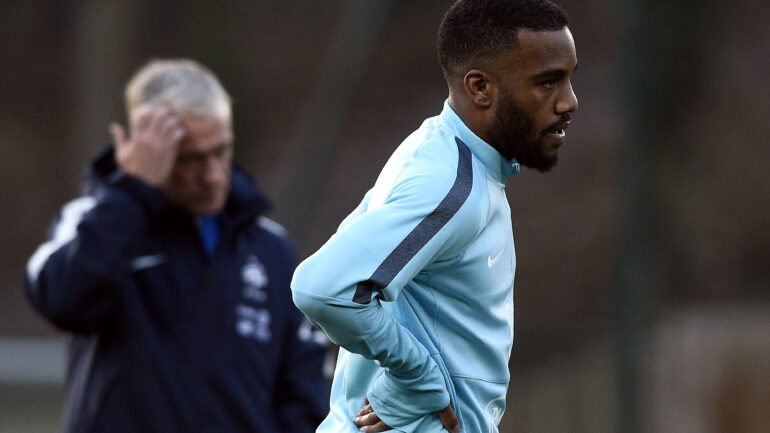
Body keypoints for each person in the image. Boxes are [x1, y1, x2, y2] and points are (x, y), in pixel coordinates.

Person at [291, 0, 578, 432]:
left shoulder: (443, 157)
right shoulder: (449, 182)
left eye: (569, 79)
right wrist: (419, 382)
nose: (569, 102)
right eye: (548, 83)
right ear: (480, 87)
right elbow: (323, 288)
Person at [25, 58, 330, 433]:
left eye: (221, 151)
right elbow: (60, 300)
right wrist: (133, 191)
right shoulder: (93, 224)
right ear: (147, 151)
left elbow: (305, 389)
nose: (213, 176)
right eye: (191, 159)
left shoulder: (271, 248)